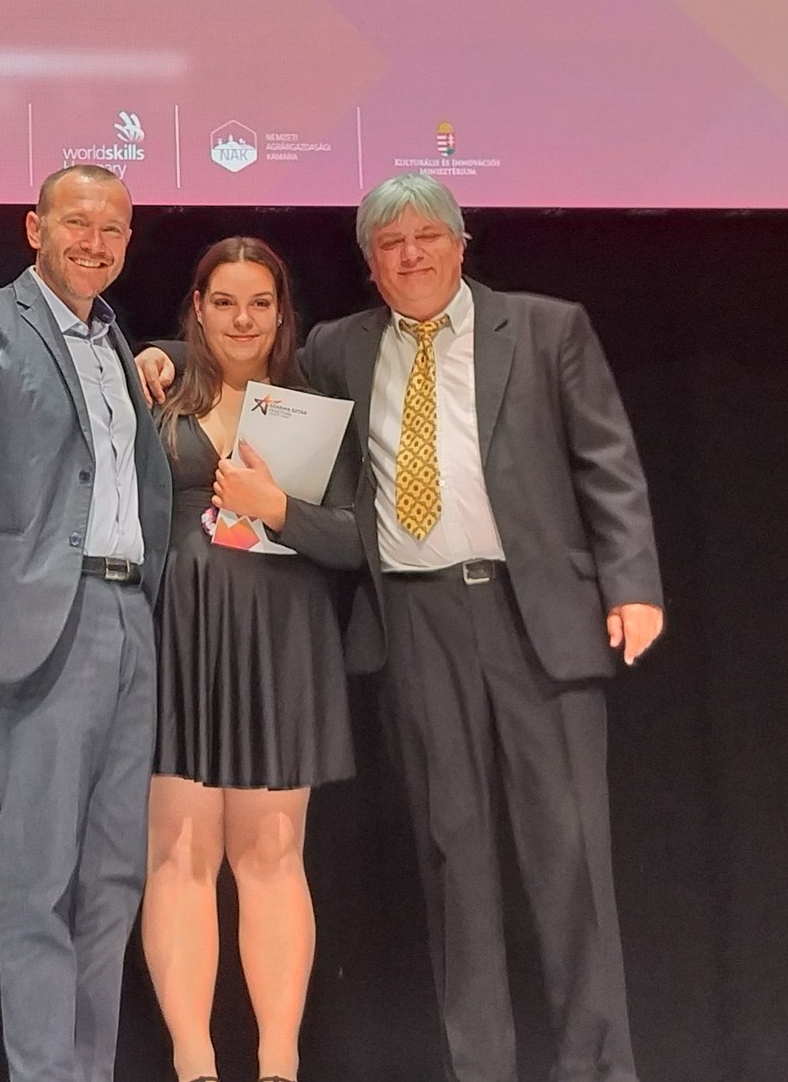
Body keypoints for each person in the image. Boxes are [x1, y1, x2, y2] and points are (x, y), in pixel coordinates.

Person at [140, 173, 664, 1082]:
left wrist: (634, 584)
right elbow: (237, 351)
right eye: (390, 244)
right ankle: (481, 1071)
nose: (411, 255)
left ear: (462, 244)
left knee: (570, 853)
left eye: (427, 236)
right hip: (415, 620)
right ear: (370, 266)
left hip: (533, 615)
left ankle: (596, 1069)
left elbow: (607, 461)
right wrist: (153, 354)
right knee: (455, 857)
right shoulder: (342, 348)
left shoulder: (546, 328)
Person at [0, 166, 172, 1082]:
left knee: (114, 878)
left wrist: (155, 360)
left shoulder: (112, 336)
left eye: (113, 228)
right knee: (41, 877)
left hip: (131, 615)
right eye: (77, 222)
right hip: (50, 617)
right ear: (35, 228)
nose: (96, 241)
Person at [144, 237, 360, 1082]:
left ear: (282, 312)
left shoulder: (315, 405)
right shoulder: (152, 389)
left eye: (260, 303)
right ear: (198, 308)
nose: (243, 319)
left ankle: (278, 1065)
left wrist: (278, 508)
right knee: (180, 851)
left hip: (281, 633)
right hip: (180, 631)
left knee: (272, 852)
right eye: (226, 302)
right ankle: (194, 1063)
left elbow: (357, 538)